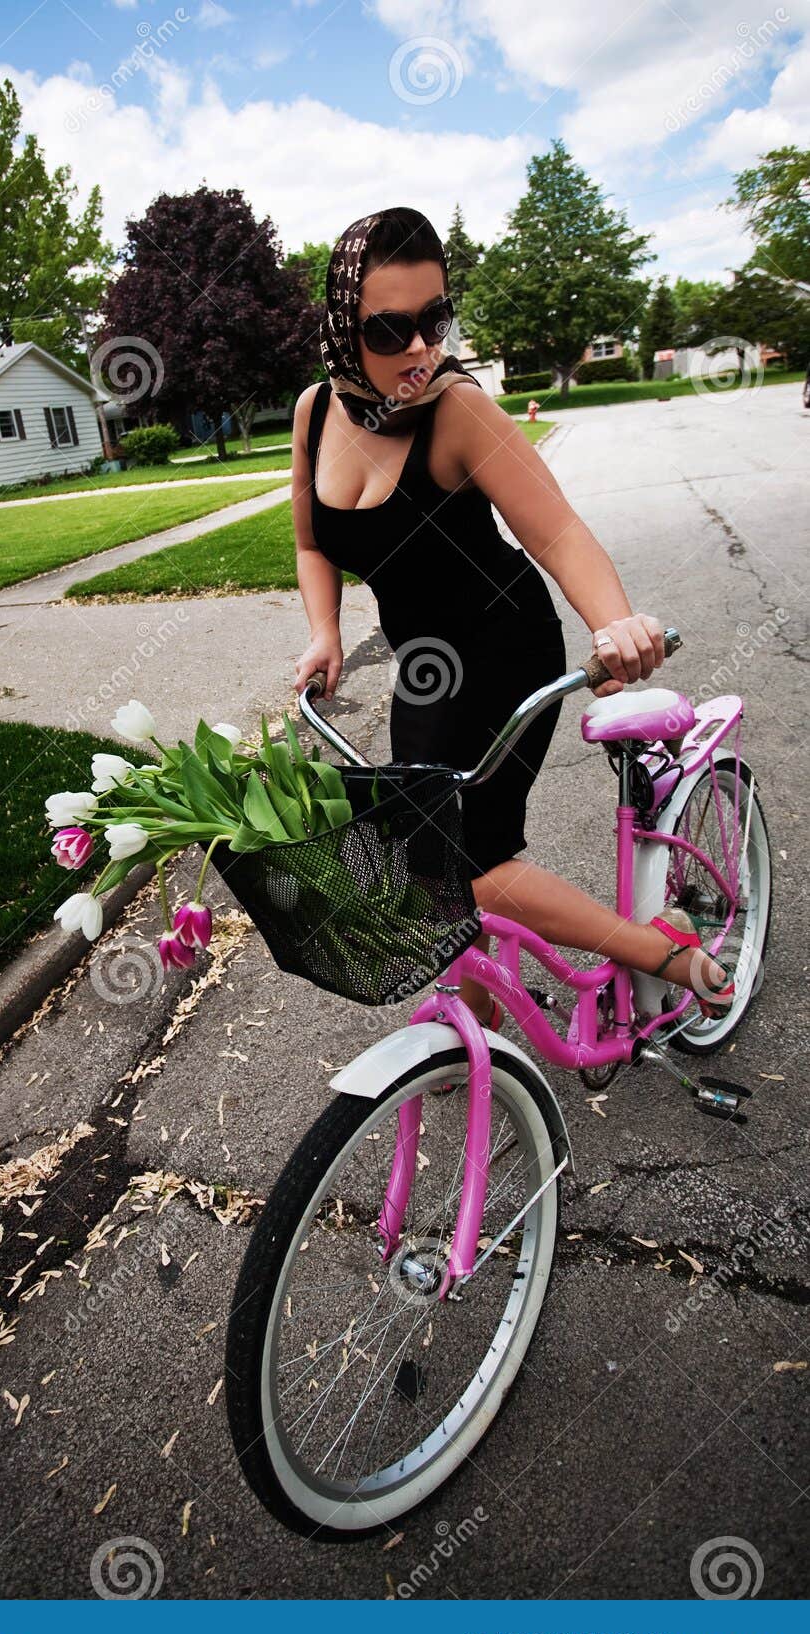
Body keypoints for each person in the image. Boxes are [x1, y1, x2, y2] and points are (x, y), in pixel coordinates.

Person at [291, 206, 733, 1027]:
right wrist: (323, 631)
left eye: (435, 320)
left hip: (505, 649)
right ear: (343, 328)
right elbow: (313, 541)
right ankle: (482, 1008)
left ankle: (658, 950)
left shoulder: (457, 410)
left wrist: (613, 625)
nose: (421, 348)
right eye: (391, 330)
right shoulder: (314, 413)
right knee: (427, 860)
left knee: (474, 862)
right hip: (423, 666)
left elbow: (557, 530)